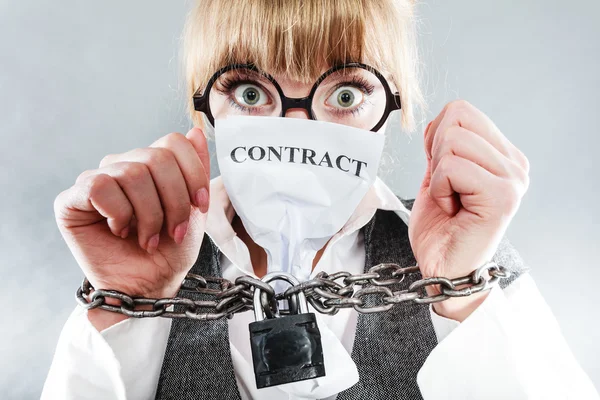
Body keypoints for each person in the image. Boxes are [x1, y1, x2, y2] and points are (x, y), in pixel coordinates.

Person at [42, 1, 599, 399]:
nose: (295, 129)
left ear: (394, 110)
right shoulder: (139, 258)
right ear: (205, 112)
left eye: (347, 94)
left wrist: (461, 296)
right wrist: (126, 305)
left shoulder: (475, 263)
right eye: (251, 92)